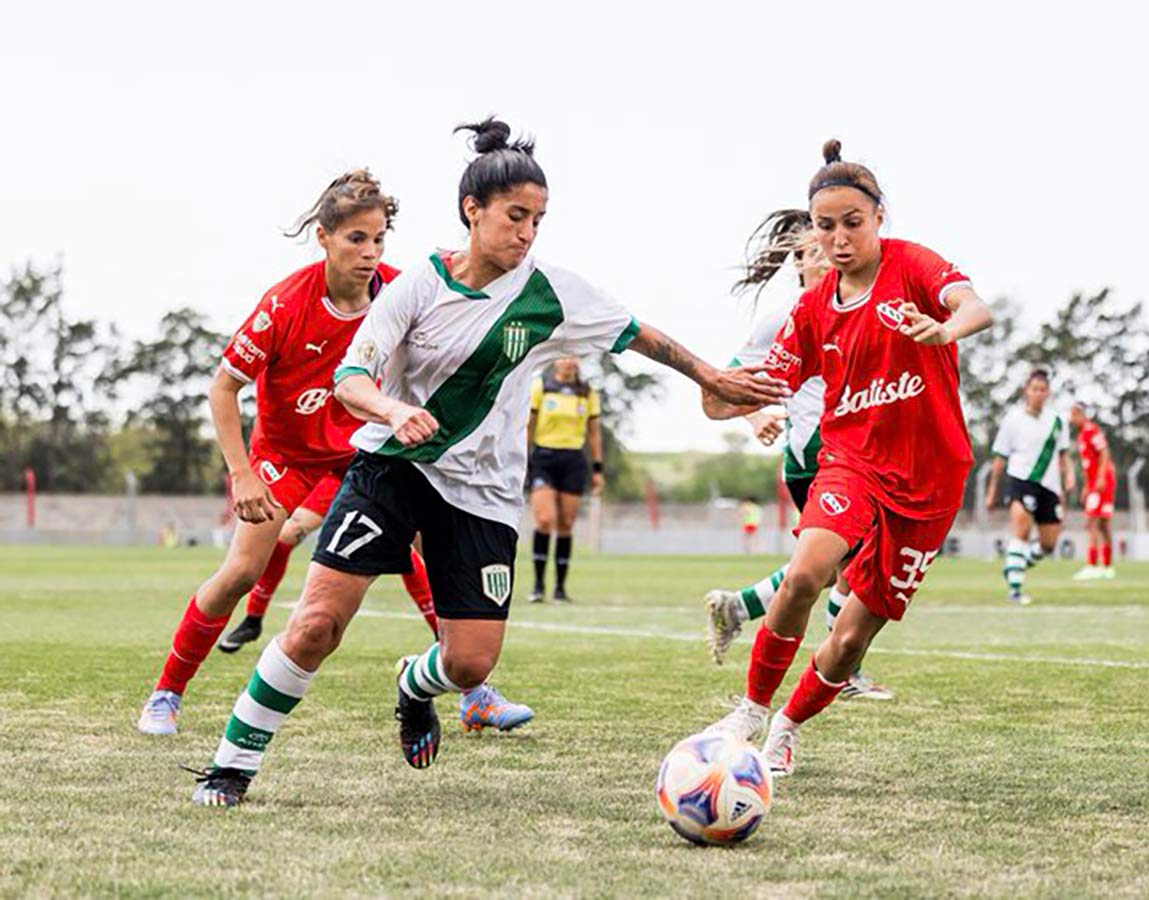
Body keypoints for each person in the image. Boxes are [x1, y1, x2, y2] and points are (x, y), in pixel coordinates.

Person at [187, 117, 788, 806]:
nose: (527, 232)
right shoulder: (417, 284)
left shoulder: (551, 293)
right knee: (318, 624)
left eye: (537, 219)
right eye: (514, 216)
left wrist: (712, 377)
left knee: (470, 662)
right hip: (392, 469)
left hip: (482, 496)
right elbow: (353, 378)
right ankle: (231, 766)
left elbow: (637, 335)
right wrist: (392, 411)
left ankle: (414, 684)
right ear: (472, 211)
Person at [701, 139, 993, 776]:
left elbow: (975, 306)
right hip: (852, 464)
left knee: (852, 637)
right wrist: (726, 396)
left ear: (879, 217)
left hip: (932, 480)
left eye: (851, 223)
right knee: (807, 573)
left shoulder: (914, 265)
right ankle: (749, 710)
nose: (838, 238)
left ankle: (787, 726)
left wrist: (946, 329)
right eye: (825, 227)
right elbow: (758, 384)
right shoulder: (808, 309)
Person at [137, 170, 401, 736]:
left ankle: (473, 690)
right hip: (285, 455)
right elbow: (223, 387)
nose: (370, 252)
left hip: (358, 453)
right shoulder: (285, 305)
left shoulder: (397, 294)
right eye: (357, 238)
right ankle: (166, 693)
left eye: (379, 239)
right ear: (324, 237)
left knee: (426, 550)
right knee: (240, 572)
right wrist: (242, 474)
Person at [704, 209, 893, 701]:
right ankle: (842, 666)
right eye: (812, 253)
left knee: (829, 570)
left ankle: (738, 608)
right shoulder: (785, 316)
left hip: (859, 457)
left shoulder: (866, 304)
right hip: (819, 456)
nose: (828, 257)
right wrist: (754, 414)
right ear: (800, 266)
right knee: (859, 563)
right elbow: (724, 388)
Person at [216, 488, 440, 650]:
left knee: (405, 544)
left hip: (371, 471)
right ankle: (253, 620)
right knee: (285, 537)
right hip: (333, 474)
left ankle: (441, 631)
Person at [985, 370, 1075, 604]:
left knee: (1048, 544)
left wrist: (1069, 478)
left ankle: (1015, 564)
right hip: (1021, 479)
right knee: (1022, 531)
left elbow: (1064, 454)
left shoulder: (1058, 421)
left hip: (1050, 485)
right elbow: (1000, 458)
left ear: (1048, 393)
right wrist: (992, 491)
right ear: (1027, 390)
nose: (1038, 393)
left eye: (1042, 389)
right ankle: (1015, 589)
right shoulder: (1012, 419)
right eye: (1034, 388)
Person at [525, 356, 603, 603]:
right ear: (556, 361)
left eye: (575, 357)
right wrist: (522, 458)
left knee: (567, 524)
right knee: (545, 520)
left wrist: (598, 468)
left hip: (573, 461)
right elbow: (528, 426)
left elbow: (594, 433)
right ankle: (538, 586)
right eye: (565, 357)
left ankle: (560, 588)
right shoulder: (541, 386)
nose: (570, 362)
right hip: (543, 458)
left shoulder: (586, 392)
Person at [1069, 402, 1117, 580]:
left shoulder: (1091, 430)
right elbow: (1088, 464)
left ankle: (1092, 565)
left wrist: (1101, 478)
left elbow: (1104, 452)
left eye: (1074, 415)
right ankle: (1107, 567)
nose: (1071, 419)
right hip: (1096, 484)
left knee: (1091, 522)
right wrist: (1086, 486)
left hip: (1102, 484)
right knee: (1103, 525)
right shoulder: (1082, 435)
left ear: (1081, 414)